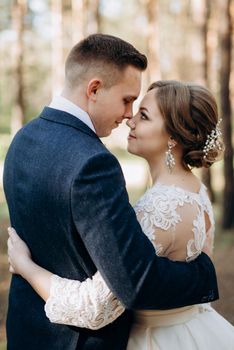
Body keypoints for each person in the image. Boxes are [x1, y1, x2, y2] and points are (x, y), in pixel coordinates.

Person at [4, 34, 218, 350]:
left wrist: (25, 267)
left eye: (140, 110)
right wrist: (202, 274)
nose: (129, 115)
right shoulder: (94, 163)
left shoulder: (24, 139)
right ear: (94, 89)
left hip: (26, 330)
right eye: (127, 100)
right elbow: (134, 282)